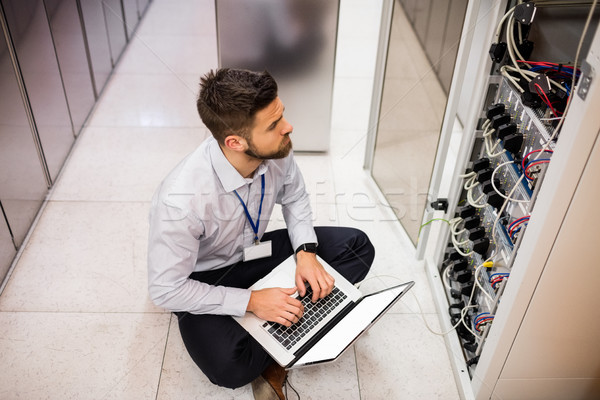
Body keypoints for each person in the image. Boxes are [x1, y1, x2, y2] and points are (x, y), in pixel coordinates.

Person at [147, 68, 375, 400]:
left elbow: (295, 196)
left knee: (357, 247)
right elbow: (166, 291)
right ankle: (289, 330)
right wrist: (252, 302)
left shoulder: (276, 148)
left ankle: (284, 328)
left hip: (251, 251)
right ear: (235, 142)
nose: (288, 127)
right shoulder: (180, 201)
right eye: (273, 124)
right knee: (230, 368)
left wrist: (306, 253)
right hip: (205, 278)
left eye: (281, 114)